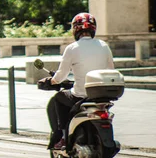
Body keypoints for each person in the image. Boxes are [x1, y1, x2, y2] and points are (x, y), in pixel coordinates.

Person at [41, 12, 114, 150]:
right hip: (101, 95)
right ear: (93, 29)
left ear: (75, 29)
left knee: (58, 98)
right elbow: (111, 69)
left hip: (80, 94)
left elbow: (60, 76)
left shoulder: (72, 48)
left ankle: (63, 136)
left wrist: (51, 81)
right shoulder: (104, 45)